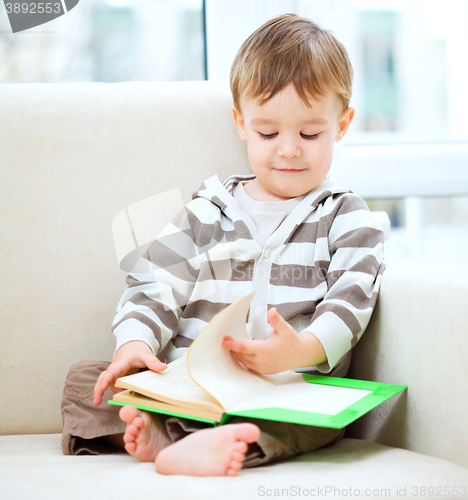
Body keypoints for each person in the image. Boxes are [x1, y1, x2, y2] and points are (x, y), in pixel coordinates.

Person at [61, 13, 385, 476]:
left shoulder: (346, 216)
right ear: (240, 123)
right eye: (268, 133)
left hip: (283, 388)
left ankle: (191, 443)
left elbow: (352, 302)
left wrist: (302, 350)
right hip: (189, 386)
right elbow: (154, 284)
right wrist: (132, 345)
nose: (289, 149)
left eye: (310, 134)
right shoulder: (205, 211)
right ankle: (169, 434)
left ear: (343, 123)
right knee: (84, 383)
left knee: (326, 418)